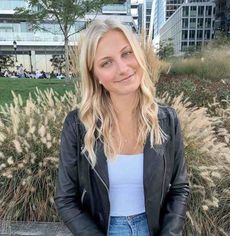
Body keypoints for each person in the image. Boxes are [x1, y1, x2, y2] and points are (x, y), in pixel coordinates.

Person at [55, 19, 189, 236]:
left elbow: (180, 188)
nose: (123, 68)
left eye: (126, 53)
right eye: (106, 63)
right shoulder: (79, 125)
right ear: (95, 76)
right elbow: (65, 199)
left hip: (154, 229)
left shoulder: (166, 119)